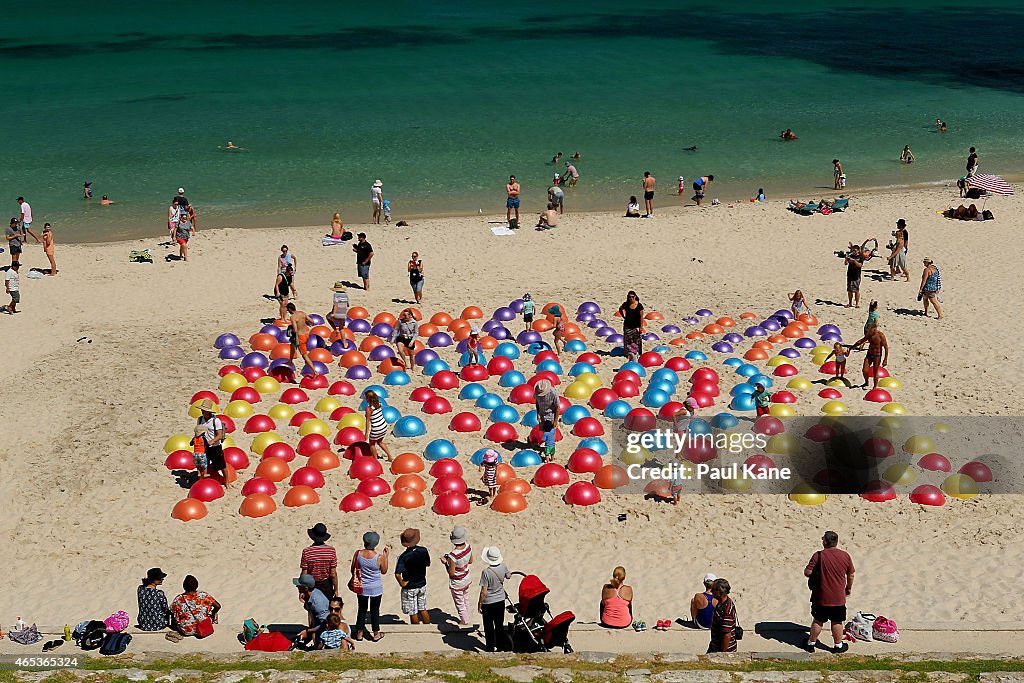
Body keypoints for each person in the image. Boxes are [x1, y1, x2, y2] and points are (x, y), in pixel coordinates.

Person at [804, 531, 854, 653]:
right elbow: (851, 574)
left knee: (818, 620)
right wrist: (848, 588)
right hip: (838, 596)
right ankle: (838, 646)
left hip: (821, 596)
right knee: (837, 621)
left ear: (825, 541)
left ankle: (811, 644)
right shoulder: (845, 556)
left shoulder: (818, 555)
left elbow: (807, 572)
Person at [351, 531, 388, 642]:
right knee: (375, 610)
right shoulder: (379, 557)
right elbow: (384, 571)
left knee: (362, 609)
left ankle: (359, 633)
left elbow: (352, 568)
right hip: (375, 587)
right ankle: (376, 633)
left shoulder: (358, 554)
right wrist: (386, 557)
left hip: (362, 586)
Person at [478, 546, 510, 652]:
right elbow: (508, 576)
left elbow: (484, 591)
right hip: (500, 600)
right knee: (499, 625)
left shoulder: (486, 572)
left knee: (488, 627)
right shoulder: (503, 567)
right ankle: (500, 646)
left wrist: (480, 604)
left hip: (488, 602)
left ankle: (490, 648)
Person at [395, 528, 431, 625]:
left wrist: (401, 583)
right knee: (423, 608)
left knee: (413, 612)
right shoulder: (423, 550)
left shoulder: (404, 556)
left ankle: (416, 630)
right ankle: (427, 627)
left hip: (410, 587)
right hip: (422, 584)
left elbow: (397, 573)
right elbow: (428, 564)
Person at [441, 526, 474, 627]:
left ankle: (464, 621)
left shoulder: (453, 556)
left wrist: (446, 563)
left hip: (457, 582)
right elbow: (471, 561)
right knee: (466, 598)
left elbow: (451, 573)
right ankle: (467, 616)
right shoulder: (468, 547)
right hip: (466, 578)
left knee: (459, 603)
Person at [301, 523, 339, 599]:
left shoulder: (307, 551)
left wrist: (302, 590)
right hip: (326, 584)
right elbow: (333, 574)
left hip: (311, 585)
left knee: (313, 608)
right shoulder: (331, 551)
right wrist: (336, 589)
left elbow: (304, 573)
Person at [195, 399, 226, 484]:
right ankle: (200, 482)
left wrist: (212, 441)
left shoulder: (216, 421)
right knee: (203, 465)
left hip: (215, 447)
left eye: (204, 410)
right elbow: (198, 431)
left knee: (221, 465)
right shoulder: (200, 419)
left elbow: (220, 435)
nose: (202, 411)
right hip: (204, 447)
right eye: (201, 409)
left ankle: (227, 483)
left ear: (208, 411)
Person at [293, 573, 330, 647]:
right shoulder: (312, 593)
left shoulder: (318, 603)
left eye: (299, 586)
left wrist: (307, 631)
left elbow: (326, 624)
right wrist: (305, 601)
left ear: (306, 588)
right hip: (318, 624)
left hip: (327, 630)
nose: (297, 586)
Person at [286, 303, 317, 376]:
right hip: (306, 334)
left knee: (304, 355)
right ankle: (290, 361)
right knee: (292, 345)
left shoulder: (293, 317)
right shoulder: (302, 313)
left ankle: (315, 371)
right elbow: (312, 321)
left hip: (300, 337)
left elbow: (295, 330)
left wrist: (290, 329)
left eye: (288, 310)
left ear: (290, 309)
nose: (288, 311)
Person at [708, 578, 737, 653]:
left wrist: (721, 654)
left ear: (720, 593)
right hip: (715, 645)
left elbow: (727, 635)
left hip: (724, 650)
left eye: (713, 590)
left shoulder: (727, 611)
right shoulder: (722, 603)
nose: (711, 591)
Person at [533, 379, 560, 462]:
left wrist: (555, 421)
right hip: (542, 413)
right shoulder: (537, 391)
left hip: (551, 414)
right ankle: (548, 443)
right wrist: (538, 413)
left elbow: (557, 407)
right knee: (544, 429)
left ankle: (549, 446)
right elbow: (537, 403)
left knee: (551, 430)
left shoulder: (553, 393)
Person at [363, 390, 393, 462]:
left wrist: (366, 433)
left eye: (365, 398)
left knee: (372, 444)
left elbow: (367, 421)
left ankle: (375, 460)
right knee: (380, 442)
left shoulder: (368, 409)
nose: (365, 399)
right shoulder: (378, 404)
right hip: (383, 426)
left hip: (377, 428)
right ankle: (389, 456)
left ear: (368, 399)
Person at [618, 291, 645, 362]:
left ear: (635, 297)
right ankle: (629, 354)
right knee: (628, 341)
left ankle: (636, 354)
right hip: (627, 325)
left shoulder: (639, 306)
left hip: (636, 326)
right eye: (629, 297)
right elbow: (620, 309)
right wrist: (624, 316)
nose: (631, 298)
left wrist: (641, 327)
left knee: (636, 341)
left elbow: (641, 317)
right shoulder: (626, 304)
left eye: (632, 297)